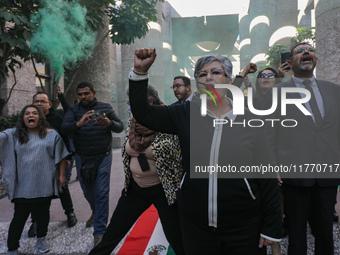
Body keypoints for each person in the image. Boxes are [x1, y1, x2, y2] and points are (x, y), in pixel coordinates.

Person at [129, 48, 282, 254]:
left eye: (216, 72)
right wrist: (139, 73)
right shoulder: (184, 113)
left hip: (244, 226)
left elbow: (267, 176)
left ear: (229, 81)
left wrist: (271, 227)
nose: (208, 77)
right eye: (202, 74)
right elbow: (143, 113)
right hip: (196, 226)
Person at [89, 84, 185, 255]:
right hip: (134, 189)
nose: (128, 106)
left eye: (130, 102)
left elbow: (177, 157)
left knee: (177, 238)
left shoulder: (169, 121)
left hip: (163, 191)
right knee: (112, 234)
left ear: (148, 101)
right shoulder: (133, 121)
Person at [266, 42, 340, 255]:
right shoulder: (277, 93)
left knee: (325, 230)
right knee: (297, 231)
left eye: (311, 50)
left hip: (327, 173)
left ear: (316, 59)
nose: (307, 52)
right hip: (294, 174)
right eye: (300, 51)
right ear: (290, 63)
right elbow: (269, 133)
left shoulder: (334, 91)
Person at [61, 82, 124, 247]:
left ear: (93, 93)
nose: (83, 97)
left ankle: (100, 233)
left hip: (103, 156)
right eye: (80, 94)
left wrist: (109, 123)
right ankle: (96, 212)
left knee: (102, 193)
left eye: (86, 93)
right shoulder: (73, 110)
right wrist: (79, 123)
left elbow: (120, 127)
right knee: (88, 192)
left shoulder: (105, 107)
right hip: (82, 158)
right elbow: (65, 128)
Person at [0, 104, 69, 255]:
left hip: (44, 182)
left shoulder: (51, 135)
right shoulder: (14, 134)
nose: (30, 115)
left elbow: (62, 155)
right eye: (27, 114)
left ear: (40, 117)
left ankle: (41, 239)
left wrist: (62, 175)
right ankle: (12, 248)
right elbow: (1, 138)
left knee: (43, 213)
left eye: (34, 113)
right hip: (22, 185)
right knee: (19, 217)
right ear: (23, 118)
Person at [25, 91, 77, 238]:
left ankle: (70, 213)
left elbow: (65, 138)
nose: (39, 104)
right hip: (34, 162)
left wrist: (67, 158)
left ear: (50, 104)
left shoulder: (57, 119)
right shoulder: (29, 119)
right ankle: (35, 221)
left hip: (56, 160)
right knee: (36, 192)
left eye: (42, 101)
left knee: (62, 186)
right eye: (37, 101)